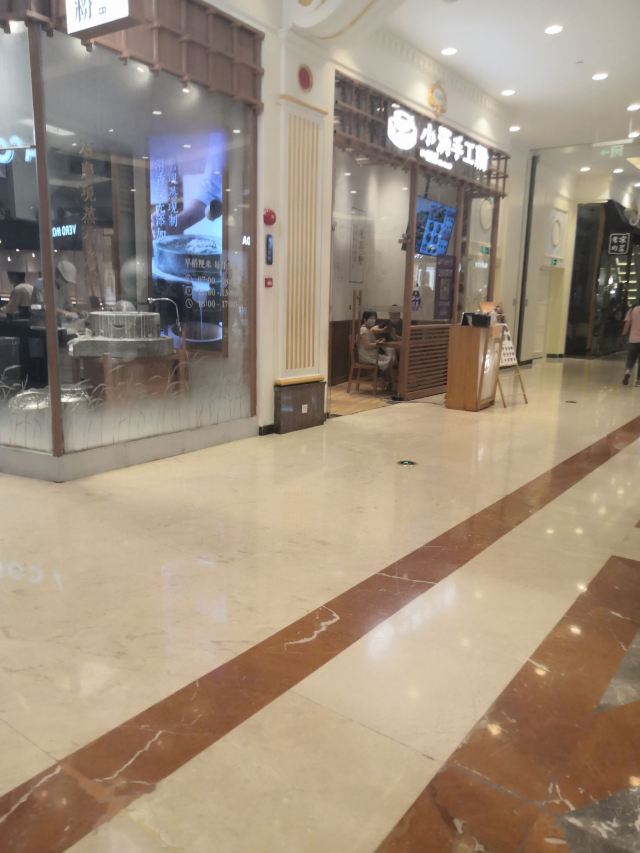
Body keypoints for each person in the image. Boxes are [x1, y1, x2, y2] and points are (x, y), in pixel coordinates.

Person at [358, 310, 397, 392]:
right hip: (367, 356)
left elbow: (371, 342)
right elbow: (367, 346)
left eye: (374, 318)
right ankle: (389, 384)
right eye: (371, 318)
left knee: (391, 358)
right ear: (365, 319)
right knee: (390, 360)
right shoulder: (363, 330)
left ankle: (386, 383)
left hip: (372, 354)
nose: (373, 320)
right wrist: (377, 344)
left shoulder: (369, 329)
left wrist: (378, 341)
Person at [622, 300, 640, 386]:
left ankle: (628, 372)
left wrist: (624, 334)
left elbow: (627, 324)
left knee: (630, 358)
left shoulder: (632, 310)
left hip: (633, 339)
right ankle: (638, 381)